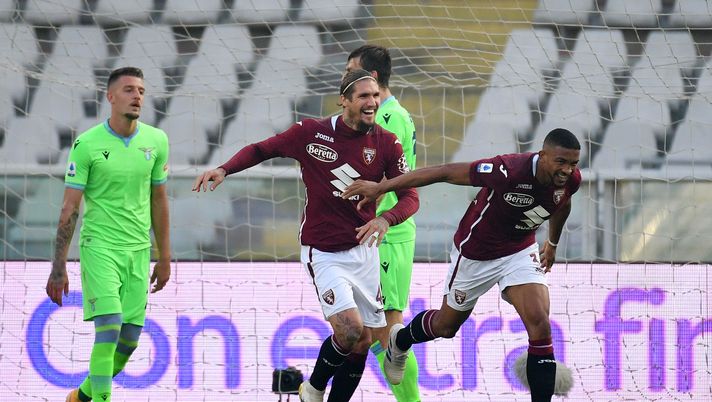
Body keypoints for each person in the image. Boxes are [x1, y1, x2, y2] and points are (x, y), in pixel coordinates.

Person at [192, 69, 419, 402]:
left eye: (375, 96)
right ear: (344, 101)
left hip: (364, 251)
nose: (372, 103)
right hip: (323, 250)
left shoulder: (386, 142)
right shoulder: (311, 133)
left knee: (364, 339)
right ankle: (313, 387)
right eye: (364, 97)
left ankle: (323, 395)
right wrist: (225, 168)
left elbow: (411, 197)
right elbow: (261, 149)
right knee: (351, 329)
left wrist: (385, 219)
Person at [342, 128, 582, 402]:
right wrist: (381, 187)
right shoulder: (508, 170)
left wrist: (551, 243)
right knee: (446, 327)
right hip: (476, 253)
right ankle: (401, 339)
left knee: (540, 323)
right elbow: (444, 171)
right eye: (561, 162)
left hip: (519, 250)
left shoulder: (571, 180)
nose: (567, 170)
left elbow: (563, 204)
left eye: (573, 163)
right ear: (543, 155)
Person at [45, 66, 171, 402]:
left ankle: (82, 397)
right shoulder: (87, 144)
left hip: (138, 251)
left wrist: (164, 258)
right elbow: (69, 208)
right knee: (110, 327)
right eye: (129, 90)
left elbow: (159, 201)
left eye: (141, 91)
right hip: (100, 247)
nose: (137, 97)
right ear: (111, 97)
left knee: (129, 339)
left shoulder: (156, 141)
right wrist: (59, 266)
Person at [345, 44, 420, 402]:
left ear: (371, 79)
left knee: (389, 332)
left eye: (351, 71)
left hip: (388, 235)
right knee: (373, 333)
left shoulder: (388, 119)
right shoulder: (391, 114)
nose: (344, 77)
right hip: (379, 235)